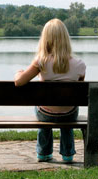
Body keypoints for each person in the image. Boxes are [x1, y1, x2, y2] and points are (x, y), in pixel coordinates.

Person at [14, 19, 86, 163]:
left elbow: (19, 82)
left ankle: (44, 153)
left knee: (43, 108)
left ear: (45, 39)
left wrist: (18, 73)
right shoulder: (79, 64)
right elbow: (78, 93)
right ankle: (67, 154)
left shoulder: (41, 62)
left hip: (45, 114)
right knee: (68, 108)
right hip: (69, 114)